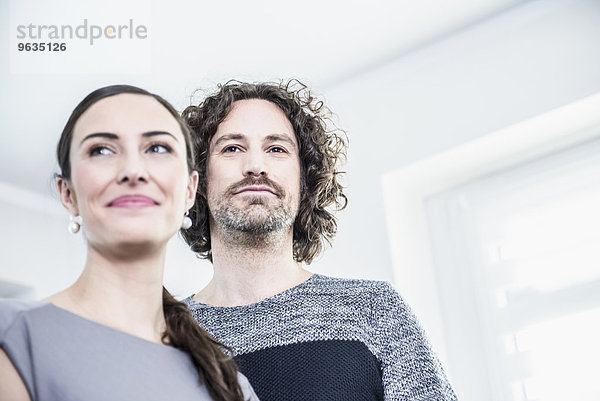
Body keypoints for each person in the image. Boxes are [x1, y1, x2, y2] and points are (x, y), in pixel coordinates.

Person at [180, 80, 458, 401]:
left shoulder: (373, 310)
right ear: (196, 180)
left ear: (304, 180)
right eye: (232, 148)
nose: (255, 166)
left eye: (277, 149)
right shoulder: (165, 338)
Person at [0, 85, 258, 401]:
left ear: (190, 191)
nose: (133, 171)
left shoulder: (229, 383)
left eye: (158, 148)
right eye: (102, 150)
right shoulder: (13, 336)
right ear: (68, 194)